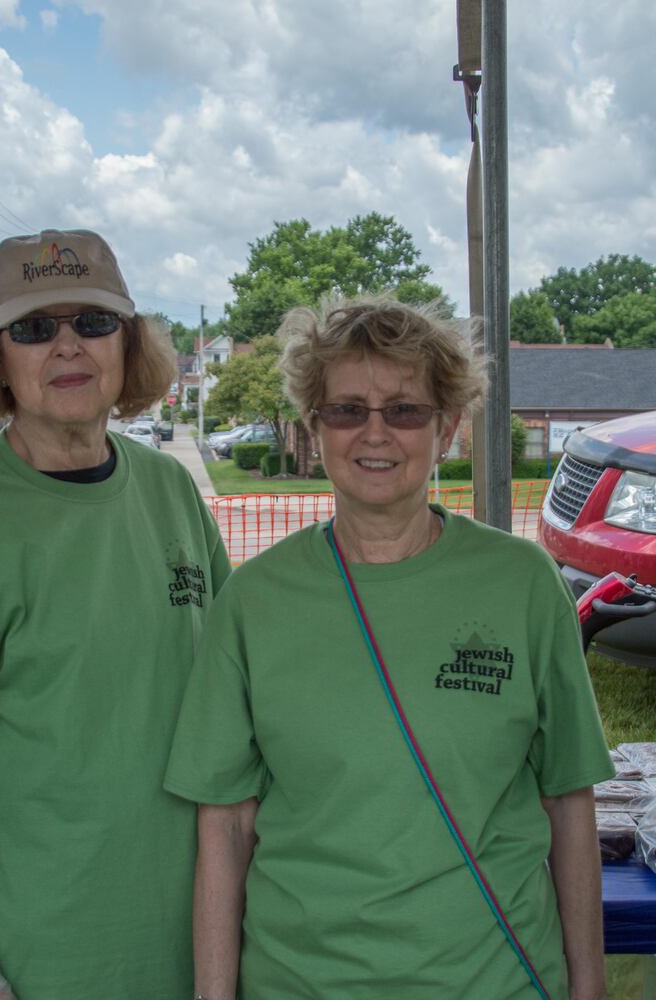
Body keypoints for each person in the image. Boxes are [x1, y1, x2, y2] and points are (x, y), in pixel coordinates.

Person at [164, 295, 612, 1000]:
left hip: (494, 980)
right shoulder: (253, 603)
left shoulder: (524, 583)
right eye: (347, 410)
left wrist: (589, 990)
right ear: (315, 428)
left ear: (449, 427)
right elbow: (224, 826)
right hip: (302, 981)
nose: (375, 433)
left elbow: (568, 800)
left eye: (404, 410)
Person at [0, 228, 231, 999]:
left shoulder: (172, 492)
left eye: (94, 322)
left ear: (129, 344)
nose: (68, 346)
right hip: (39, 957)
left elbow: (232, 706)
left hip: (196, 945)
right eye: (35, 328)